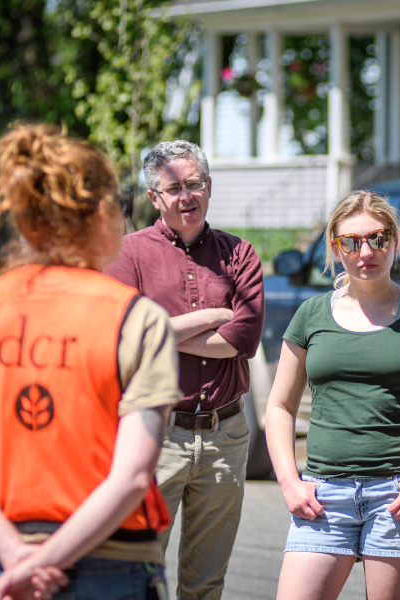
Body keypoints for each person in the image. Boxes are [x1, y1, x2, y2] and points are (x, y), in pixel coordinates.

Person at [0, 124, 180, 599]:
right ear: (105, 212)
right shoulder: (137, 318)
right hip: (109, 563)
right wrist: (41, 563)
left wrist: (18, 559)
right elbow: (129, 478)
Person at [266, 191, 400, 600]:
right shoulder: (311, 315)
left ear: (396, 242)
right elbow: (279, 406)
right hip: (324, 495)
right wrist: (291, 483)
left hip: (399, 496)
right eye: (352, 241)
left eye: (379, 238)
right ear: (335, 247)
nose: (366, 251)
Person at [104, 140, 265, 599]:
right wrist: (215, 315)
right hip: (153, 434)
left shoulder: (241, 255)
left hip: (226, 435)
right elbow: (121, 338)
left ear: (209, 187)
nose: (186, 197)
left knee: (206, 583)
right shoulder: (127, 255)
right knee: (136, 575)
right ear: (155, 198)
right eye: (174, 188)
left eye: (194, 184)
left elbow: (244, 341)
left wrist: (158, 331)